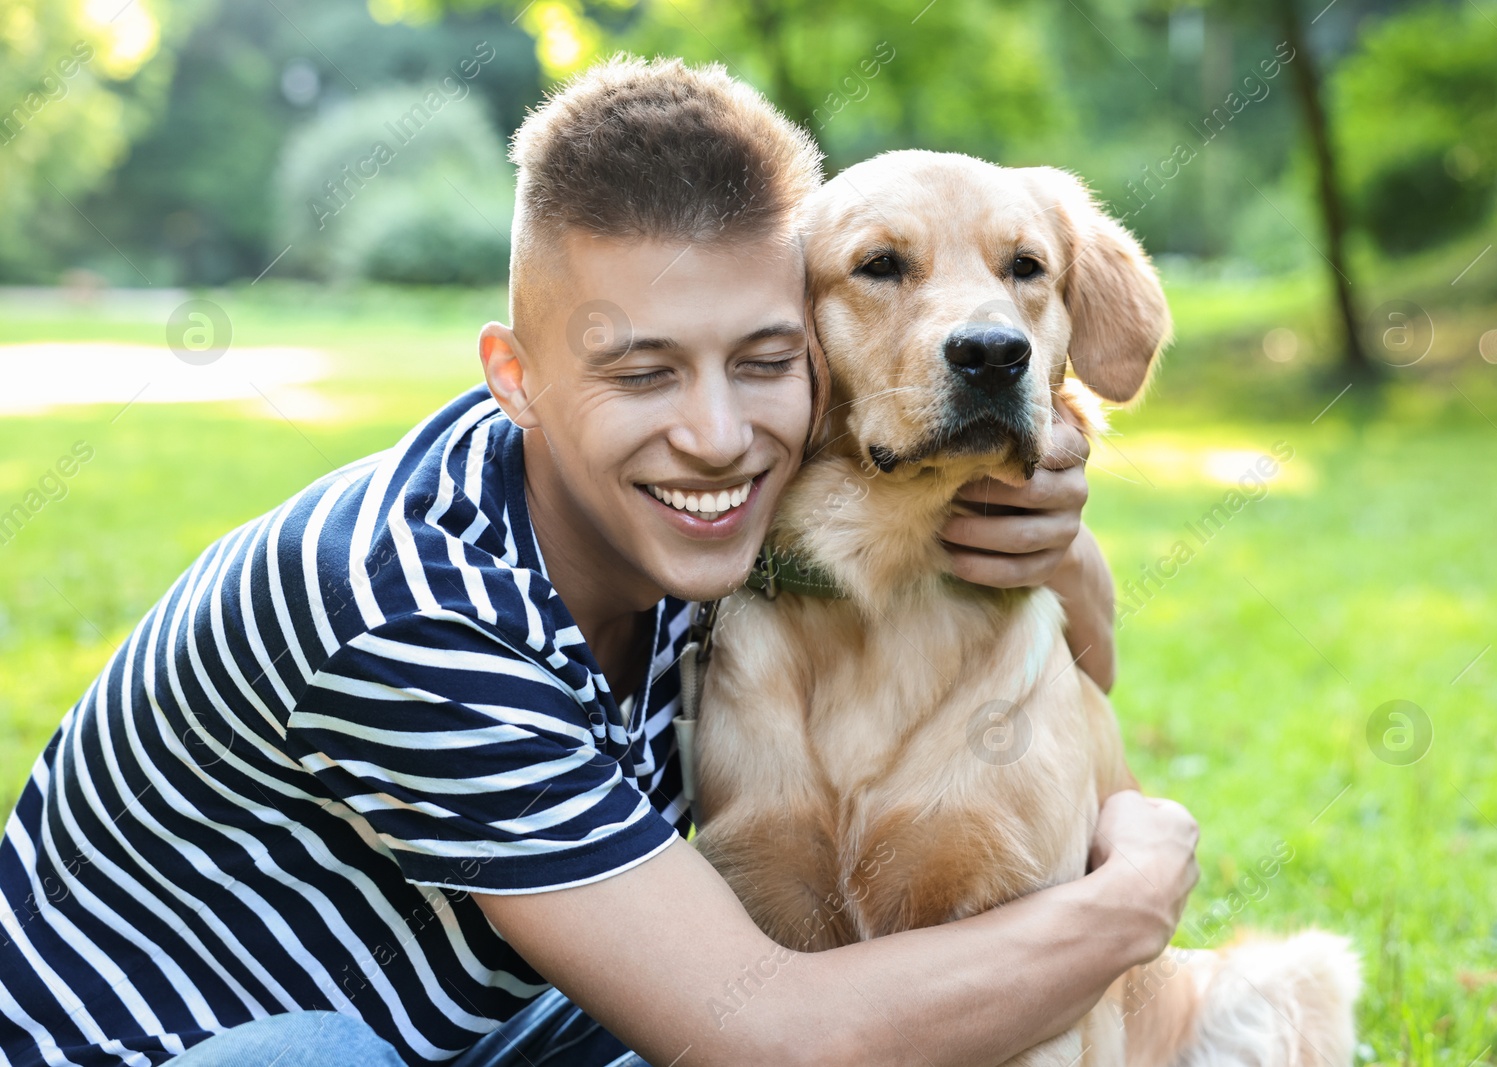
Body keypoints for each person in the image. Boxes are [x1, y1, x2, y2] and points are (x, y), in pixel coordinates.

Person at [0, 56, 1198, 1067]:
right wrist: (1122, 908)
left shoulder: (718, 542)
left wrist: (1063, 552)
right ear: (515, 377)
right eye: (642, 371)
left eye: (763, 359)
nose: (719, 437)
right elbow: (765, 1028)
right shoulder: (406, 611)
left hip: (500, 1023)